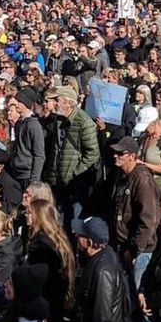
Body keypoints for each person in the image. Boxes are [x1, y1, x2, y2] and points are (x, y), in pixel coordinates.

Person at [108, 135, 161, 322]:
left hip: (142, 250)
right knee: (129, 293)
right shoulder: (123, 177)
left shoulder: (142, 179)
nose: (116, 156)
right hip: (124, 247)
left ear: (132, 156)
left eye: (121, 153)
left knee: (143, 295)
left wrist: (136, 249)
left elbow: (148, 219)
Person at [73, 216, 129, 322]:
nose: (76, 235)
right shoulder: (106, 256)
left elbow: (102, 314)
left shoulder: (102, 271)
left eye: (80, 234)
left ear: (89, 242)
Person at [41, 84, 100, 229]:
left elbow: (92, 153)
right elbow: (56, 150)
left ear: (68, 103)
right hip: (58, 182)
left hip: (75, 184)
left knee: (72, 224)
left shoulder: (84, 123)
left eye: (57, 100)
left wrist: (75, 172)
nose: (54, 103)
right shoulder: (58, 120)